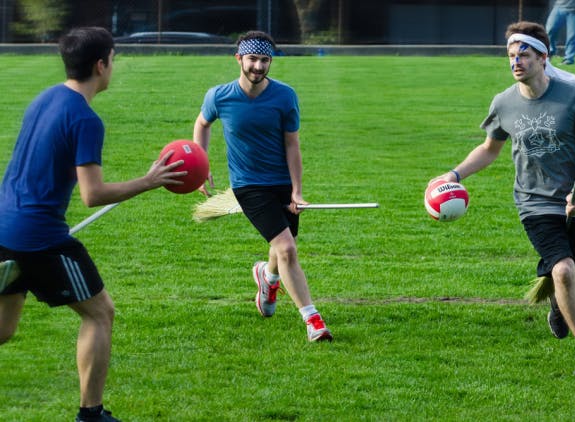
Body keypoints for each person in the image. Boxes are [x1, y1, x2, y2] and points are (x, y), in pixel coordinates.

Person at [0, 27, 186, 421]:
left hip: (4, 226)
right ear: (101, 65)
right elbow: (93, 194)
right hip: (39, 238)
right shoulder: (85, 119)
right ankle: (91, 414)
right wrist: (149, 181)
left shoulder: (45, 97)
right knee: (100, 312)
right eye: (113, 60)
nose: (113, 67)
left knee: (3, 329)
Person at [429, 21, 575, 375]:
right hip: (533, 203)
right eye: (511, 55)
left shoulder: (574, 99)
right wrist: (454, 174)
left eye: (523, 54)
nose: (515, 62)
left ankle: (558, 301)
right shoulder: (503, 103)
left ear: (543, 57)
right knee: (563, 269)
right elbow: (489, 149)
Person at [193, 30, 332, 342]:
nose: (258, 66)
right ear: (239, 59)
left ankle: (267, 278)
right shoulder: (219, 96)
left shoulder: (285, 96)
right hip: (249, 185)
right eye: (252, 59)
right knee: (287, 248)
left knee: (281, 249)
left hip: (281, 181)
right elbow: (202, 124)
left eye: (264, 60)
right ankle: (313, 321)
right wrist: (201, 166)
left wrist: (296, 191)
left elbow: (292, 146)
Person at [545, 0, 575, 65]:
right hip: (559, 7)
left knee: (572, 36)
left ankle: (569, 59)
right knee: (550, 30)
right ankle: (549, 52)